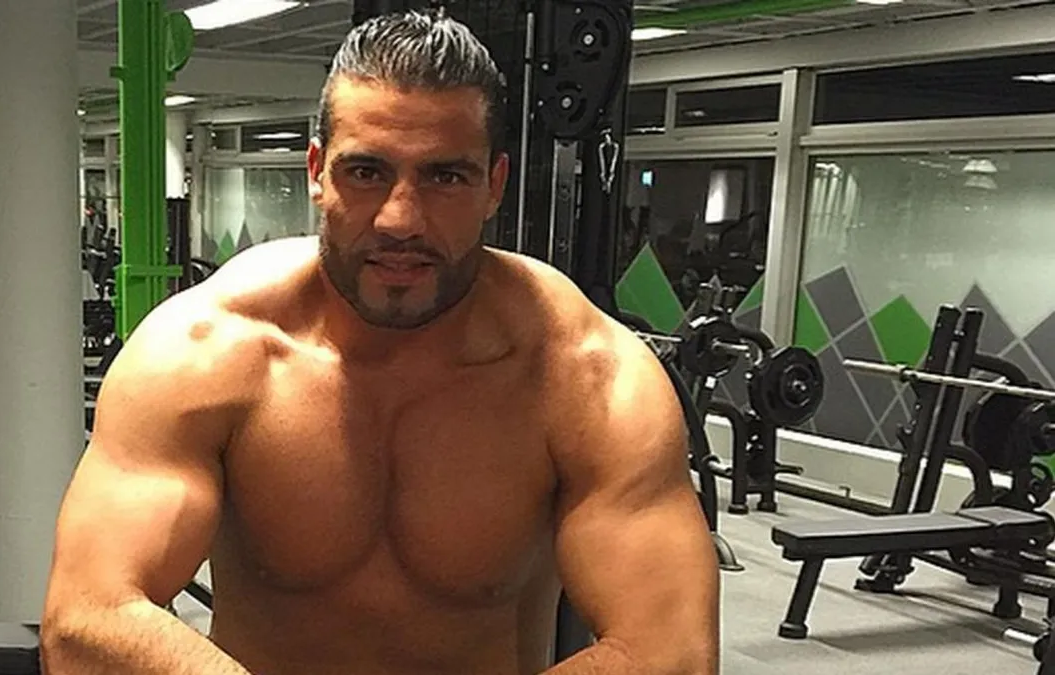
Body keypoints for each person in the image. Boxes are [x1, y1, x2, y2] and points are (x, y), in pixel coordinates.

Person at [40, 10, 719, 675]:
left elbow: (672, 654)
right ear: (316, 172)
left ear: (494, 186)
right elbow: (85, 619)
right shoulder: (206, 350)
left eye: (445, 176)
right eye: (366, 172)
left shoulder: (586, 375)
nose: (400, 219)